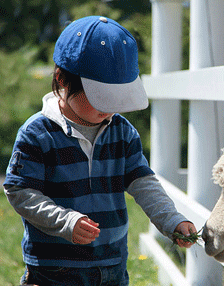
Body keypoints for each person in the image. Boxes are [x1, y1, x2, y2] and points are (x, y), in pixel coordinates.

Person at [3, 15, 197, 286]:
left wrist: (171, 220)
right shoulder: (38, 134)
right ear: (62, 79)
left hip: (112, 265)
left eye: (118, 98)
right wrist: (65, 221)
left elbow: (143, 183)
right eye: (101, 97)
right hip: (55, 269)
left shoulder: (122, 132)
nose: (109, 108)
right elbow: (20, 191)